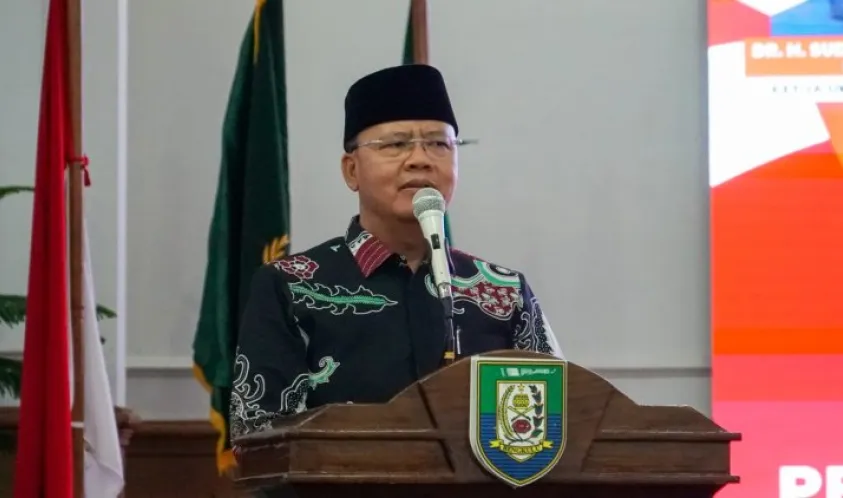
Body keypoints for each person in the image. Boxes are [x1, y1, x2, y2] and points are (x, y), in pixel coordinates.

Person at [229, 64, 562, 442]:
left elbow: (558, 420)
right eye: (395, 144)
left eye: (439, 144)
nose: (420, 159)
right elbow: (258, 437)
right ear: (351, 170)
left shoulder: (503, 290)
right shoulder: (290, 286)